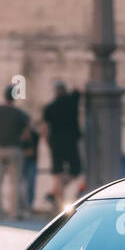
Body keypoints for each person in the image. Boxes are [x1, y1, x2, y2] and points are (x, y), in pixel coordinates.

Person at [0, 85, 30, 219]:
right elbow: (26, 134)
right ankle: (15, 212)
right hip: (14, 148)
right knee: (15, 182)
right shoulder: (20, 113)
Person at [42, 81, 82, 209]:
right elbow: (78, 90)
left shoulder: (49, 107)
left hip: (55, 143)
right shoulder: (72, 101)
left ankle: (56, 198)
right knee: (76, 170)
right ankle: (55, 195)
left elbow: (45, 129)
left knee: (58, 173)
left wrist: (48, 142)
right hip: (71, 141)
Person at [21, 119, 40, 216]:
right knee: (21, 185)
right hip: (23, 161)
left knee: (31, 184)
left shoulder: (35, 135)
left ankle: (29, 206)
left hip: (32, 161)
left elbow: (33, 151)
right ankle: (23, 207)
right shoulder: (20, 135)